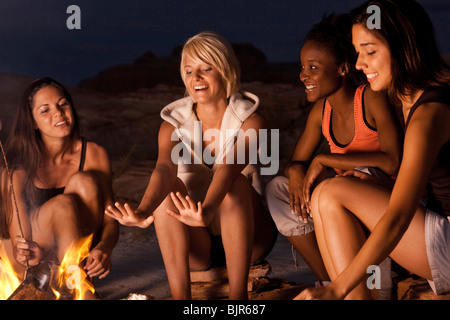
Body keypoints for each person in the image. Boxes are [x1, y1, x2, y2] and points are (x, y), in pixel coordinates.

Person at [105, 31, 277, 300]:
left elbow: (229, 167)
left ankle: (237, 301)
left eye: (205, 68)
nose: (195, 78)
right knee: (167, 192)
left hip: (252, 238)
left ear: (226, 70)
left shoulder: (251, 120)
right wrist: (143, 211)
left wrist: (207, 210)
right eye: (189, 70)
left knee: (235, 182)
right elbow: (164, 169)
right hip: (199, 242)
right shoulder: (171, 124)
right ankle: (181, 299)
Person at [297, 0, 450, 300]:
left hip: (446, 240)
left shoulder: (430, 113)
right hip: (435, 226)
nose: (359, 64)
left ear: (404, 47)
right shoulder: (402, 101)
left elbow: (397, 218)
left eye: (370, 51)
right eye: (357, 53)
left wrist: (336, 289)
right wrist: (378, 187)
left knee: (331, 193)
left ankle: (343, 293)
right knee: (327, 194)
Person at [265, 14, 402, 287]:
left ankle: (381, 279)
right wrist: (294, 172)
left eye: (313, 67)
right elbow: (297, 162)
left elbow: (394, 162)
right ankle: (329, 281)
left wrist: (328, 158)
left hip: (388, 209)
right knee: (277, 190)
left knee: (359, 173)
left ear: (342, 68)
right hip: (342, 207)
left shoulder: (371, 99)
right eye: (302, 66)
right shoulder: (321, 112)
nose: (303, 75)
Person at [0, 77, 119, 287]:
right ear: (32, 122)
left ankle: (72, 278)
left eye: (63, 104)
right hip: (29, 261)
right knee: (63, 205)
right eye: (45, 110)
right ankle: (76, 288)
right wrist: (26, 253)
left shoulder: (93, 154)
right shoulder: (17, 166)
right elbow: (21, 244)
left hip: (73, 254)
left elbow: (110, 219)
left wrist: (104, 249)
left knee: (85, 181)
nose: (58, 113)